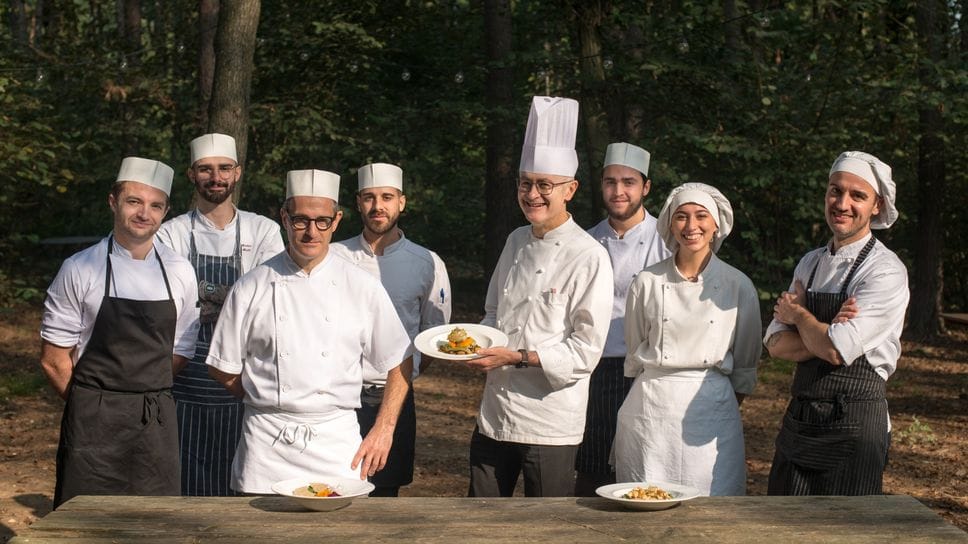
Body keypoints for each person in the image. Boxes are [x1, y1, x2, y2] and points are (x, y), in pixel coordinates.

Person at [205, 169, 413, 493]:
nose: (311, 232)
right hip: (265, 448)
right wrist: (267, 400)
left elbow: (399, 359)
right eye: (301, 220)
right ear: (284, 218)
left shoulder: (362, 287)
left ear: (337, 220)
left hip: (336, 444)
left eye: (322, 221)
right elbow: (222, 367)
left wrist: (383, 429)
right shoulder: (251, 286)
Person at [466, 96, 613, 497]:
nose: (532, 194)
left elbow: (586, 349)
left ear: (571, 189)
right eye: (525, 183)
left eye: (544, 185)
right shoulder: (516, 240)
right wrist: (473, 345)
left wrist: (517, 357)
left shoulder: (589, 255)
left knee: (547, 529)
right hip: (495, 412)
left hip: (550, 421)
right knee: (479, 523)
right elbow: (493, 311)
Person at [40, 157, 200, 508]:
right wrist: (93, 405)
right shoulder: (81, 268)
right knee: (86, 519)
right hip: (94, 421)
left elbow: (181, 349)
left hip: (155, 422)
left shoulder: (180, 270)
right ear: (113, 202)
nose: (145, 213)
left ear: (165, 211)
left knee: (155, 520)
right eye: (134, 201)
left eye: (155, 205)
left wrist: (139, 394)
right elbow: (54, 361)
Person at [766, 151, 909, 496]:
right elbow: (774, 344)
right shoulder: (810, 262)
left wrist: (799, 316)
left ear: (876, 206)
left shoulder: (884, 271)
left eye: (857, 195)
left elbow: (833, 350)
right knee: (780, 529)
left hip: (854, 427)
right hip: (800, 420)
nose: (842, 203)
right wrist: (827, 328)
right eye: (835, 191)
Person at [156, 133, 285, 496]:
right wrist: (238, 295)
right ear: (191, 174)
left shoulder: (264, 231)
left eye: (224, 168)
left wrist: (203, 293)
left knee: (242, 480)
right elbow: (171, 303)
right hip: (184, 378)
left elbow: (270, 301)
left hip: (243, 378)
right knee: (186, 482)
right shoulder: (171, 233)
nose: (216, 177)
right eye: (206, 169)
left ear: (238, 172)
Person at [614, 182, 760, 496]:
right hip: (651, 409)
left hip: (714, 409)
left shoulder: (738, 285)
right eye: (681, 216)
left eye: (701, 216)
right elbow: (635, 346)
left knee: (714, 501)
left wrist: (720, 401)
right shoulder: (647, 282)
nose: (691, 226)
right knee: (647, 499)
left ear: (716, 223)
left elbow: (747, 361)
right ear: (669, 224)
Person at [333, 162, 451, 497]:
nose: (377, 206)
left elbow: (433, 334)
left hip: (393, 399)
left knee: (384, 495)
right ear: (357, 203)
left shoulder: (426, 262)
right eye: (369, 198)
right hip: (338, 396)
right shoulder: (335, 256)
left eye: (386, 197)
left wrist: (405, 375)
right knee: (336, 487)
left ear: (402, 202)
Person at [575, 142, 671, 496]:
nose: (619, 191)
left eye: (628, 182)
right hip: (596, 365)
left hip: (648, 367)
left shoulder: (667, 240)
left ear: (645, 187)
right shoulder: (584, 241)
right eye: (610, 182)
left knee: (644, 460)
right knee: (593, 462)